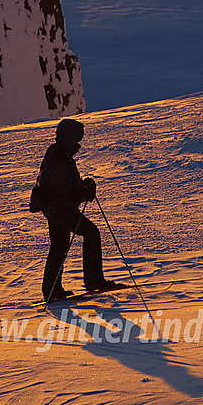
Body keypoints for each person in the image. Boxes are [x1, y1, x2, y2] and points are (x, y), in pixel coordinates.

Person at [37, 118, 121, 302]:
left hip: (54, 209)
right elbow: (61, 193)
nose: (78, 142)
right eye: (76, 137)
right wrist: (83, 193)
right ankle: (94, 281)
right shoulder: (59, 158)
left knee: (59, 246)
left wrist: (81, 188)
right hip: (60, 210)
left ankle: (52, 291)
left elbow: (61, 186)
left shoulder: (58, 154)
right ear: (68, 137)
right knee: (91, 233)